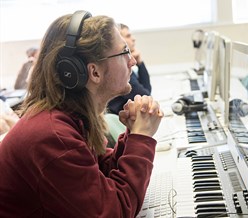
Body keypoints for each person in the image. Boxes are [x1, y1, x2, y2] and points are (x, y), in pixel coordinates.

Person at [0, 10, 163, 218]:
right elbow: (114, 212)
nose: (132, 61)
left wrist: (132, 134)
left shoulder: (70, 119)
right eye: (124, 53)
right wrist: (142, 138)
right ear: (94, 72)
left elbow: (102, 173)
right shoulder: (52, 136)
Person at [107, 23, 152, 114]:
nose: (133, 39)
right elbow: (145, 96)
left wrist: (140, 63)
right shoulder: (119, 69)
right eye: (128, 36)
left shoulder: (126, 65)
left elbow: (147, 91)